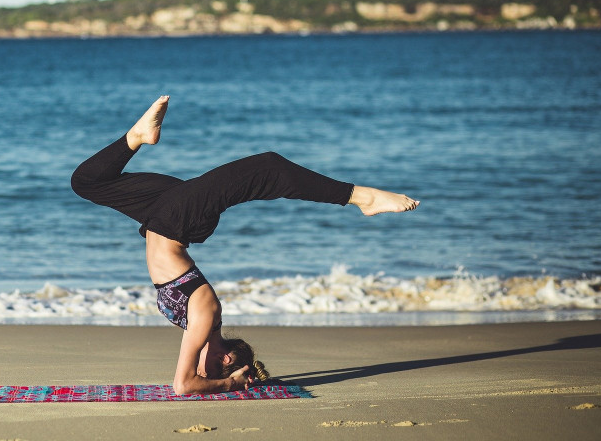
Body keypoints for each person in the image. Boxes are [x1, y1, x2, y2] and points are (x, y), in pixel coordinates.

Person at [71, 96, 419, 395]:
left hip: (161, 215)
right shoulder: (206, 315)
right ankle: (363, 198)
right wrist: (231, 384)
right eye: (207, 368)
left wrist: (235, 379)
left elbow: (187, 381)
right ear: (226, 358)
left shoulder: (197, 326)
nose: (197, 366)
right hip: (178, 220)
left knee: (87, 182)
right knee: (269, 166)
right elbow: (184, 385)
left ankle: (137, 137)